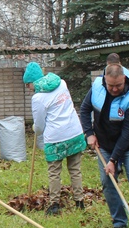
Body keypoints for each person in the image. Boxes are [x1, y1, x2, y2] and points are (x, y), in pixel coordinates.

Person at [79, 60, 129, 228]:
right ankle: (119, 222)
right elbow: (84, 110)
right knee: (108, 182)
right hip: (104, 143)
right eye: (111, 85)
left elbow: (127, 135)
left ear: (124, 79)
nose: (114, 89)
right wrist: (89, 133)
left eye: (118, 85)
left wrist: (113, 160)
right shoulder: (97, 87)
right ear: (105, 80)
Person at [23, 62, 86, 216]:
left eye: (27, 85)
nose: (27, 89)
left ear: (32, 82)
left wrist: (35, 130)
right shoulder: (61, 83)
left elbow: (39, 125)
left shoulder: (37, 98)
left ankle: (54, 205)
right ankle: (79, 201)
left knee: (54, 172)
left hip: (56, 137)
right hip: (74, 132)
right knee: (75, 169)